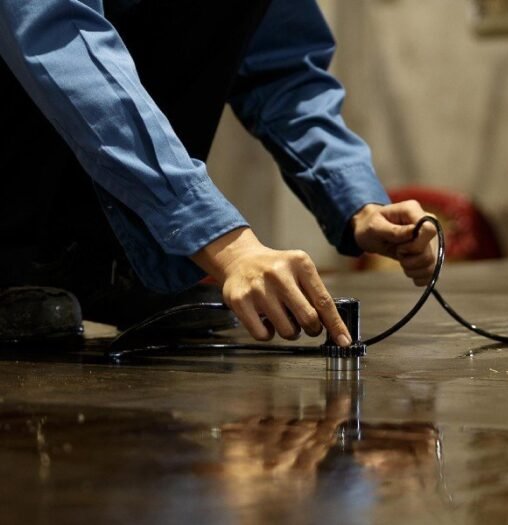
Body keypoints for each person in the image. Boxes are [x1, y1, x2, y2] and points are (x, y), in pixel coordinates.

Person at [0, 0, 437, 347]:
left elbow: (283, 67)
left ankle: (111, 261)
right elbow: (61, 40)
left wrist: (355, 200)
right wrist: (227, 245)